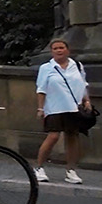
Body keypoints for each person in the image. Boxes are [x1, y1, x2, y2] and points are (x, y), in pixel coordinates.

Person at [34, 38, 91, 184]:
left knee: (72, 136)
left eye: (61, 47)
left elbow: (83, 84)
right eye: (55, 48)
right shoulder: (46, 68)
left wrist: (87, 100)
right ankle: (39, 167)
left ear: (67, 50)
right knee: (53, 136)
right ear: (52, 51)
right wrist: (40, 108)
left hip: (73, 107)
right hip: (54, 107)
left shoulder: (77, 66)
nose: (59, 50)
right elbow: (41, 89)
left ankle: (71, 170)